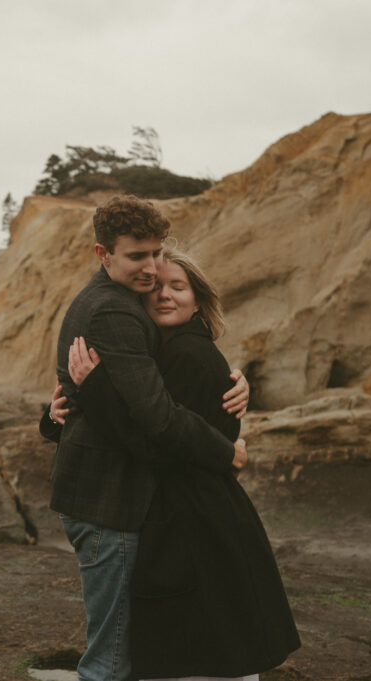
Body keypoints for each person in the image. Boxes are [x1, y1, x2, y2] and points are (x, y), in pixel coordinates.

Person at [56, 247, 301, 680]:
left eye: (179, 287)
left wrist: (94, 391)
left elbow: (154, 438)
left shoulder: (187, 355)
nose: (165, 295)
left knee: (194, 649)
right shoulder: (162, 356)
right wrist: (58, 413)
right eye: (157, 286)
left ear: (199, 300)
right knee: (206, 646)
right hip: (193, 511)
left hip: (195, 518)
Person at [41, 195, 250, 681]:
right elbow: (157, 416)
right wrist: (227, 452)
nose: (153, 269)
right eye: (138, 255)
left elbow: (161, 387)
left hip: (113, 499)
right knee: (111, 659)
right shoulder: (114, 312)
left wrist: (232, 384)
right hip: (106, 503)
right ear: (103, 254)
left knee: (123, 649)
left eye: (156, 252)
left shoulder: (123, 298)